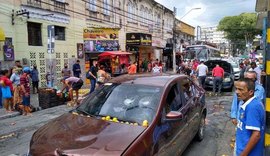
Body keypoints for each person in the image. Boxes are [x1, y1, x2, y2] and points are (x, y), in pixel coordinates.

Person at [234, 78, 265, 156]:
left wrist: (243, 154)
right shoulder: (246, 104)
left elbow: (256, 135)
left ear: (251, 92)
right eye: (236, 89)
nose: (237, 92)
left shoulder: (252, 107)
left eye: (241, 90)